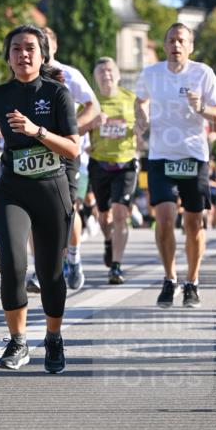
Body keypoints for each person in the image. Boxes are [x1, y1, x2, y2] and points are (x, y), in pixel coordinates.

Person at [0, 25, 79, 372]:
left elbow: (73, 149)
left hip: (52, 188)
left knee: (50, 273)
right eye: (16, 49)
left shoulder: (58, 93)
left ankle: (53, 336)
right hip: (13, 189)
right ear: (7, 57)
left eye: (30, 48)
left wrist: (37, 131)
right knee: (13, 265)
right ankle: (18, 342)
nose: (23, 54)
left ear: (43, 54)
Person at [135, 23, 216, 308]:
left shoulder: (203, 73)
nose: (176, 45)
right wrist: (142, 119)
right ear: (164, 46)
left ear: (191, 47)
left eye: (182, 41)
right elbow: (140, 101)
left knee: (193, 223)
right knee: (163, 219)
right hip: (161, 155)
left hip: (193, 155)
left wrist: (203, 109)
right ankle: (169, 278)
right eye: (171, 40)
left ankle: (192, 281)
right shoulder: (151, 73)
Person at [26, 27, 99, 294]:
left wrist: (72, 128)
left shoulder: (69, 74)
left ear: (53, 46)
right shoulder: (26, 73)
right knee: (36, 213)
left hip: (66, 151)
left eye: (45, 42)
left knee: (66, 210)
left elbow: (94, 106)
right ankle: (40, 268)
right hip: (36, 152)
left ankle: (74, 258)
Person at [89, 57, 138, 285]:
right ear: (95, 78)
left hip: (125, 163)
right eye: (101, 72)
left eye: (109, 71)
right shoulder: (90, 101)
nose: (106, 75)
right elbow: (75, 130)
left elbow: (144, 125)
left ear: (118, 75)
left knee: (120, 213)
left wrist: (142, 127)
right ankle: (108, 240)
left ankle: (116, 266)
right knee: (104, 215)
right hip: (99, 163)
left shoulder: (130, 99)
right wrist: (92, 124)